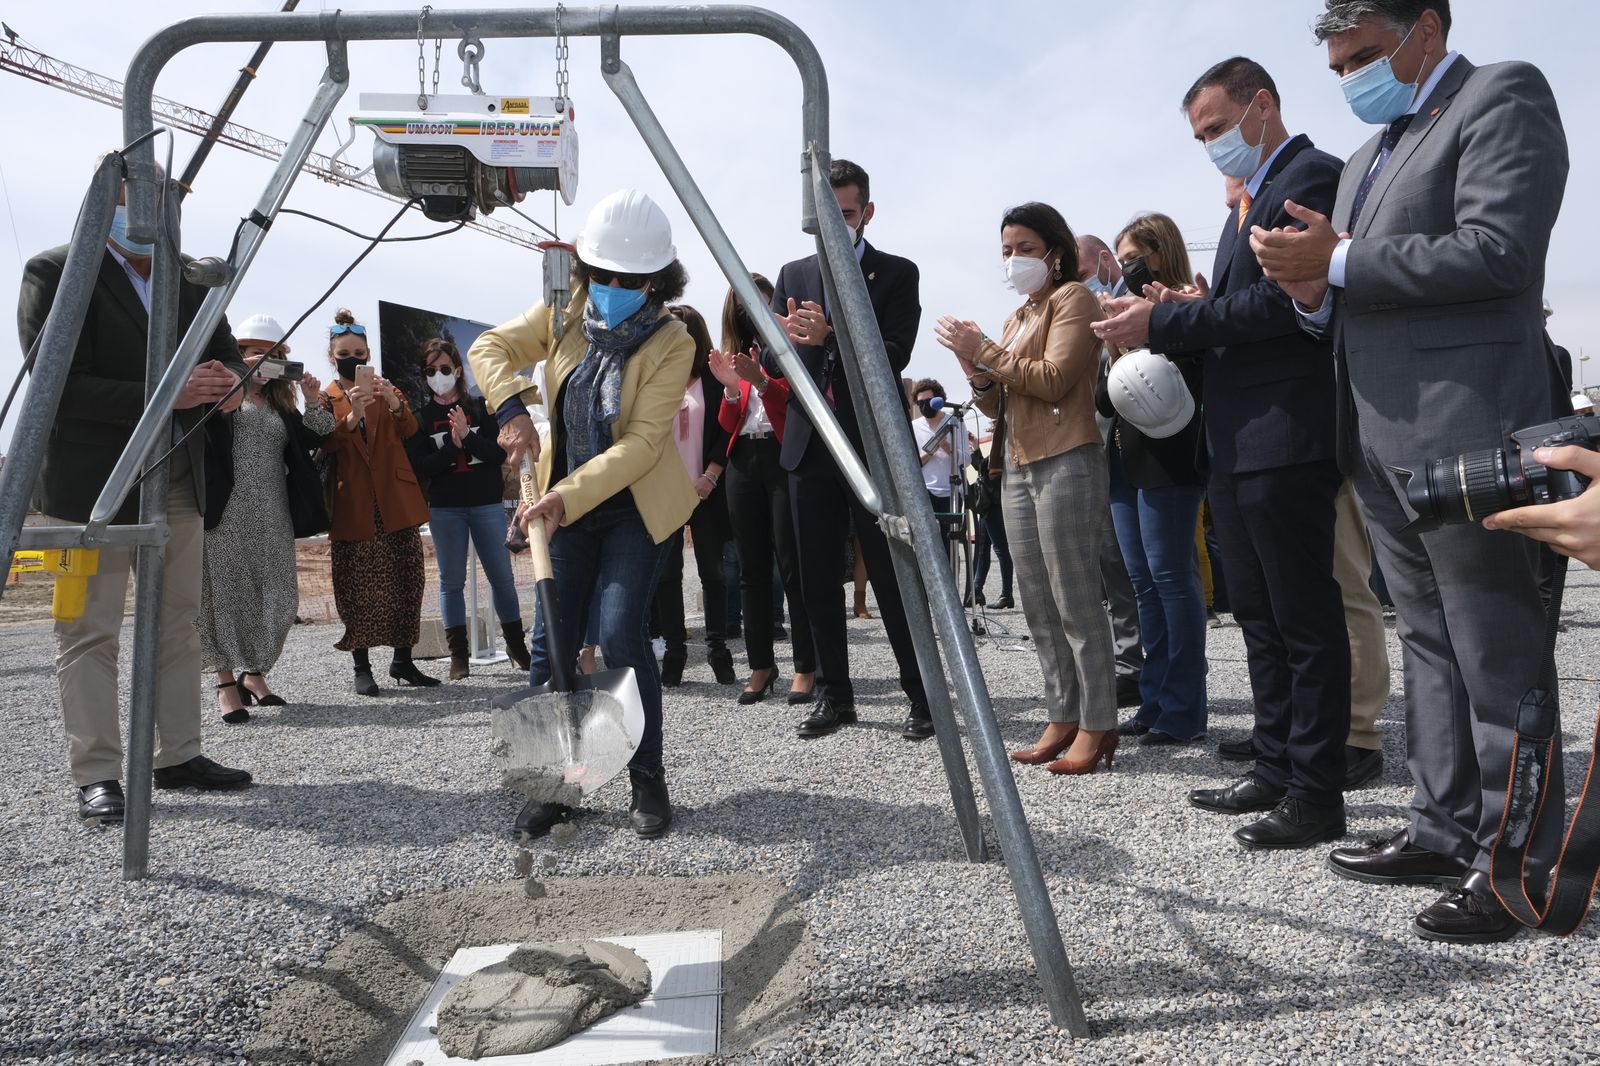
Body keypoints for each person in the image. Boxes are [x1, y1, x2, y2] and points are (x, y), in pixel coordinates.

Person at [1251, 0, 1569, 942]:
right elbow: (1349, 297)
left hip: (1469, 422)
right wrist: (1311, 289)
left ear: (1426, 29)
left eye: (1364, 55)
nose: (1351, 77)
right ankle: (1442, 826)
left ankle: (1523, 867)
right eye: (1339, 63)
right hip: (1381, 433)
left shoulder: (1500, 96)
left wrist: (1340, 258)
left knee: (1498, 650)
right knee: (1430, 641)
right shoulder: (1366, 159)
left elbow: (1499, 251)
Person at [1094, 56, 1351, 849]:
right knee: (1262, 618)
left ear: (1260, 104)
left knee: (1304, 620)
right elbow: (1245, 307)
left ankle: (1315, 789)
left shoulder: (1308, 174)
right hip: (1240, 438)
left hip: (1286, 431)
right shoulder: (1251, 200)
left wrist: (1164, 323)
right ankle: (1276, 764)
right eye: (1201, 135)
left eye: (1215, 128)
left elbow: (1284, 302)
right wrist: (1198, 306)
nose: (1210, 146)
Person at [17, 178, 253, 823]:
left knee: (176, 622)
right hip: (93, 486)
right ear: (105, 202)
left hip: (178, 476)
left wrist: (230, 386)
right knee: (89, 629)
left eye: (167, 199)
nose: (152, 211)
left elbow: (229, 362)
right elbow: (57, 382)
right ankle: (96, 773)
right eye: (136, 195)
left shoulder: (196, 279)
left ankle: (177, 752)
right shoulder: (58, 271)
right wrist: (168, 393)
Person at [469, 187, 698, 840]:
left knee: (624, 634)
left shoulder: (672, 341)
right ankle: (556, 783)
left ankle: (646, 775)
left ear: (656, 280)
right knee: (553, 644)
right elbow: (488, 349)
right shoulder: (565, 312)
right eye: (603, 275)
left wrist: (563, 498)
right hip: (562, 507)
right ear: (586, 269)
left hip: (632, 509)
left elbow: (642, 444)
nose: (614, 287)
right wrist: (511, 409)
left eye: (631, 279)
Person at [936, 202, 1118, 774]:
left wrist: (985, 350)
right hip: (1015, 461)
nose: (1014, 260)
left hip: (1067, 455)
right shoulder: (1017, 318)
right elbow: (999, 402)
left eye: (1026, 249)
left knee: (1075, 597)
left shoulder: (1074, 299)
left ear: (1055, 251)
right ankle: (1062, 714)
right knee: (1038, 601)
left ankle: (1099, 723)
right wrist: (974, 369)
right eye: (1007, 251)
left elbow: (1056, 378)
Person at [760, 159, 934, 741]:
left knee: (892, 574)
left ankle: (922, 694)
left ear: (868, 213)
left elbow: (893, 354)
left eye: (848, 213)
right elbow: (769, 359)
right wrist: (786, 343)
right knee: (815, 579)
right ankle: (835, 695)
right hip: (811, 447)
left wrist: (830, 338)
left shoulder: (897, 273)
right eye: (824, 215)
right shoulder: (794, 273)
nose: (836, 225)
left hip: (874, 446)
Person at [1097, 214, 1209, 747]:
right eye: (1121, 258)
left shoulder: (1185, 304)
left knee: (1171, 579)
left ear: (1159, 253)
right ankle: (1155, 696)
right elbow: (1104, 398)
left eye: (1132, 255)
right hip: (1124, 460)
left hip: (1171, 457)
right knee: (1141, 584)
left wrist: (1158, 325)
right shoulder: (1121, 314)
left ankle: (1185, 707)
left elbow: (1195, 376)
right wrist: (1113, 349)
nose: (1125, 267)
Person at [198, 314, 334, 722]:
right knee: (223, 597)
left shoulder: (282, 405)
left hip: (274, 512)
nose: (262, 362)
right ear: (236, 355)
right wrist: (235, 382)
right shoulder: (220, 398)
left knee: (279, 599)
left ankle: (253, 674)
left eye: (272, 356)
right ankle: (226, 683)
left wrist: (311, 397)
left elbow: (321, 433)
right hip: (226, 512)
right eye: (252, 353)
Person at [320, 308, 440, 695]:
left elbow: (410, 428)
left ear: (368, 354)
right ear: (332, 356)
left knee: (408, 580)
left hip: (396, 499)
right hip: (353, 503)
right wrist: (353, 414)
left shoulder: (390, 388)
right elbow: (326, 442)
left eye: (358, 352)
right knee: (357, 585)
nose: (352, 358)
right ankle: (362, 666)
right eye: (344, 352)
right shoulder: (327, 398)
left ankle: (403, 661)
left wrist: (392, 401)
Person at [712, 278, 817, 704]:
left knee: (792, 564)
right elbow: (726, 423)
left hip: (781, 454)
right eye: (740, 301)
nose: (747, 308)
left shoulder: (788, 342)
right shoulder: (735, 350)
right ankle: (760, 664)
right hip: (742, 462)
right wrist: (730, 388)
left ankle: (807, 666)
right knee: (750, 568)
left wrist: (761, 381)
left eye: (755, 298)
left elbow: (797, 403)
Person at [404, 337, 530, 681]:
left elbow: (497, 454)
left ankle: (517, 647)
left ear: (458, 370)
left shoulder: (481, 406)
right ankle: (458, 656)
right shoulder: (421, 417)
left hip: (487, 504)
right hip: (446, 509)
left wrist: (468, 436)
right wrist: (453, 446)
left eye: (445, 368)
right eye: (430, 370)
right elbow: (422, 467)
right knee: (451, 583)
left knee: (502, 578)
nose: (438, 375)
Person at [648, 303, 738, 688]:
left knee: (712, 573)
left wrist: (712, 475)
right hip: (666, 492)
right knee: (667, 575)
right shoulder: (655, 378)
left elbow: (727, 432)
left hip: (707, 489)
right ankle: (675, 651)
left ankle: (719, 649)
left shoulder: (714, 381)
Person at [1077, 234, 1145, 706]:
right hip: (1096, 453)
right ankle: (1128, 663)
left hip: (1140, 452)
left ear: (1103, 261)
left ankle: (1144, 665)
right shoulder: (1079, 312)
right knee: (1113, 567)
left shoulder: (1134, 300)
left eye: (1080, 268)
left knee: (1142, 569)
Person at [910, 378, 971, 550]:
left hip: (951, 492)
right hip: (925, 491)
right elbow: (910, 464)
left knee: (948, 545)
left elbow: (966, 460)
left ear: (938, 401)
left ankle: (949, 576)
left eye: (928, 402)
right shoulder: (914, 426)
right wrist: (928, 453)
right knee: (926, 543)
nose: (924, 406)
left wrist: (948, 449)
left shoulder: (956, 422)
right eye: (920, 403)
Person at [969, 445, 1014, 609]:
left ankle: (1006, 595)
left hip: (994, 505)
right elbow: (983, 467)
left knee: (1001, 550)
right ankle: (976, 589)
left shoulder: (1003, 447)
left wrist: (973, 452)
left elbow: (984, 466)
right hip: (987, 506)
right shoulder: (1000, 447)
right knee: (982, 550)